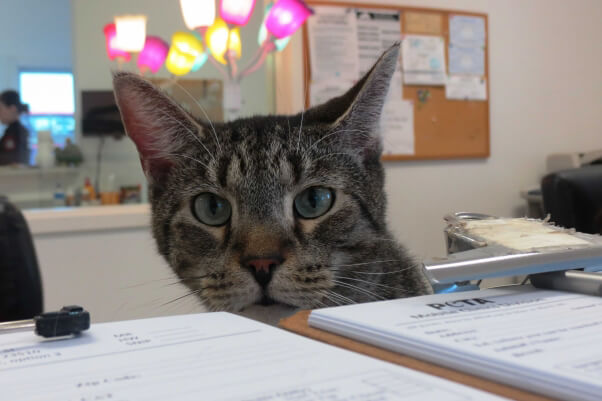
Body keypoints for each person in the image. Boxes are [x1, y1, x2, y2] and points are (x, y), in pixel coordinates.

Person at [0, 90, 30, 165]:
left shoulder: (17, 132)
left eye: (0, 109)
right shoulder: (11, 130)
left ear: (12, 109)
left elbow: (13, 159)